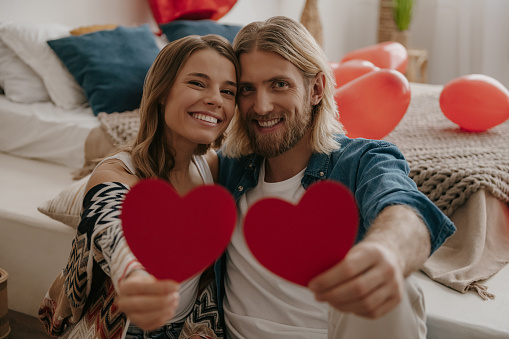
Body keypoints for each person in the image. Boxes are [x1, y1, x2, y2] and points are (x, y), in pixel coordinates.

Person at [215, 16, 456, 338]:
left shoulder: (362, 161)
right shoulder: (227, 169)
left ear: (316, 89)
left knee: (398, 290)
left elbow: (405, 209)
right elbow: (150, 163)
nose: (261, 106)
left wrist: (387, 252)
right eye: (247, 89)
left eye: (279, 84)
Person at [38, 34, 240, 339]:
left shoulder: (211, 166)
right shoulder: (117, 170)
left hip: (191, 327)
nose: (215, 99)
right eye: (198, 83)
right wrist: (132, 276)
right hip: (126, 328)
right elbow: (109, 225)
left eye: (228, 91)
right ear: (162, 91)